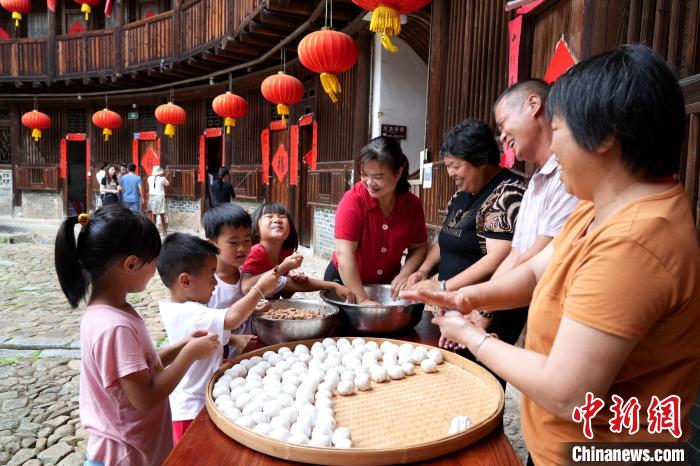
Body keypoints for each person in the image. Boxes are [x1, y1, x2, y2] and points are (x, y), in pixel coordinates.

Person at [402, 45, 700, 466]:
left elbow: (568, 392)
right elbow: (535, 273)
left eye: (558, 129)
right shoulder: (598, 207)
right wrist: (465, 299)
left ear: (606, 137)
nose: (552, 147)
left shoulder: (636, 241)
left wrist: (473, 337)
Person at [53, 204, 220, 466]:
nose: (156, 270)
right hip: (123, 457)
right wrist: (189, 355)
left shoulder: (111, 310)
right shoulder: (114, 326)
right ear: (131, 263)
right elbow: (145, 397)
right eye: (153, 261)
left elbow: (140, 368)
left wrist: (182, 345)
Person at [404, 120, 526, 371]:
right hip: (456, 304)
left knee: (479, 375)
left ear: (481, 161)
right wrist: (423, 270)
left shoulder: (507, 193)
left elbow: (497, 258)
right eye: (449, 166)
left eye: (456, 166)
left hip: (487, 311)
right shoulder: (463, 193)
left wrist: (444, 286)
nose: (451, 173)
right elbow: (446, 237)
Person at [157, 233, 280, 445]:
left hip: (190, 401)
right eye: (211, 276)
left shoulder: (178, 308)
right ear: (185, 280)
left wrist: (234, 339)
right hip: (191, 409)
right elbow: (231, 318)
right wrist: (259, 290)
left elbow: (214, 328)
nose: (215, 283)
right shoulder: (192, 313)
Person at [324, 136, 429, 303]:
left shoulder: (412, 205)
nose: (369, 182)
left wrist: (405, 273)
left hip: (385, 285)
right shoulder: (353, 201)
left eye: (378, 176)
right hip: (344, 282)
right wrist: (362, 300)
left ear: (398, 172)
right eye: (364, 174)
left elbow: (419, 247)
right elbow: (344, 255)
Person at [202, 204, 296, 348]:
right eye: (233, 242)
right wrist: (233, 339)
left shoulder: (245, 274)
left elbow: (286, 285)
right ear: (212, 245)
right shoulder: (206, 286)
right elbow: (197, 329)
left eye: (247, 241)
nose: (242, 248)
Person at [241, 202, 355, 301]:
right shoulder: (256, 251)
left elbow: (284, 293)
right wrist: (282, 268)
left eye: (282, 216)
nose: (277, 220)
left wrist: (293, 280)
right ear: (255, 229)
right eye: (269, 216)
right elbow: (246, 287)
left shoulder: (285, 253)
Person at [147, 166, 170, 235]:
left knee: (153, 214)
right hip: (160, 197)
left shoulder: (149, 178)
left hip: (152, 197)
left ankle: (153, 232)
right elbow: (167, 184)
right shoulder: (162, 178)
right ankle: (164, 232)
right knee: (162, 214)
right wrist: (166, 176)